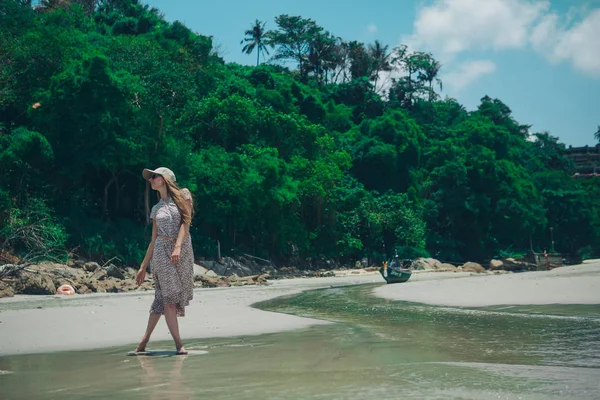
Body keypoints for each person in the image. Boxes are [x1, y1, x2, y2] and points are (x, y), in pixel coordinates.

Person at [134, 167, 194, 355]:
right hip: (161, 253)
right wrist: (143, 266)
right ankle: (179, 344)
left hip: (182, 251)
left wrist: (177, 247)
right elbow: (154, 239)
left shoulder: (184, 195)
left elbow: (186, 222)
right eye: (150, 177)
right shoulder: (156, 208)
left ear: (166, 179)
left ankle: (143, 341)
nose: (150, 179)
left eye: (154, 176)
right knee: (168, 299)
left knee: (161, 299)